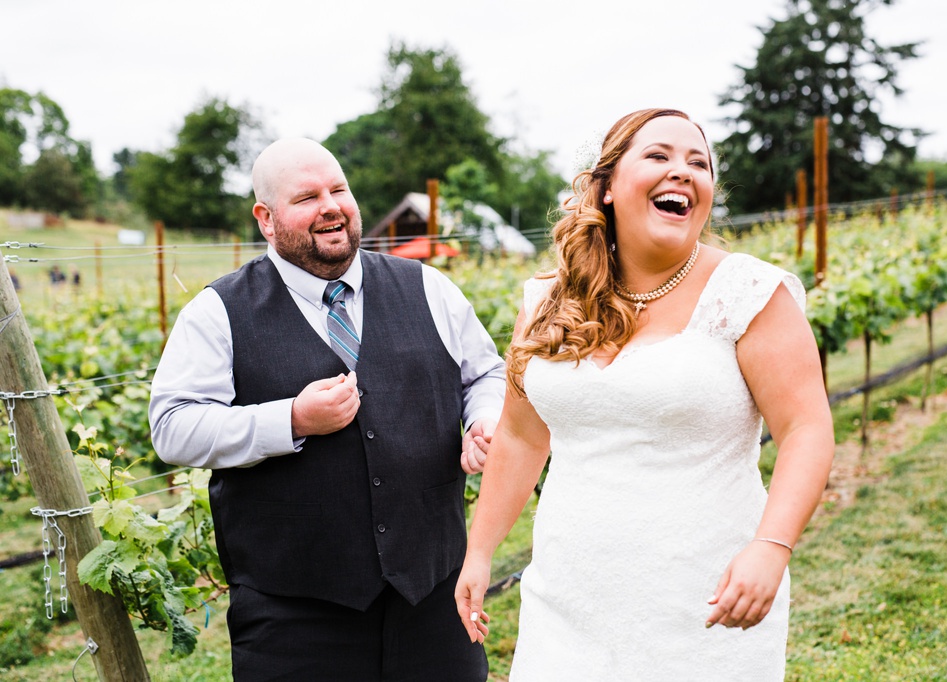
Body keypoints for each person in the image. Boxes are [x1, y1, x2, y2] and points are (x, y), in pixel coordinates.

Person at [454, 108, 835, 680]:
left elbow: (807, 429)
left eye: (698, 163)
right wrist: (479, 550)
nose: (682, 171)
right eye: (658, 156)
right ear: (605, 188)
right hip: (567, 597)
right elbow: (519, 434)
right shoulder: (547, 302)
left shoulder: (749, 293)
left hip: (705, 600)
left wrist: (771, 547)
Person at [149, 137, 505, 681]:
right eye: (307, 197)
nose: (331, 205)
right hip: (293, 615)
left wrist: (484, 418)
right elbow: (172, 428)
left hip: (433, 594)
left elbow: (486, 374)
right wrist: (289, 419)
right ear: (266, 219)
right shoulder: (217, 312)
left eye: (339, 189)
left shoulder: (429, 287)